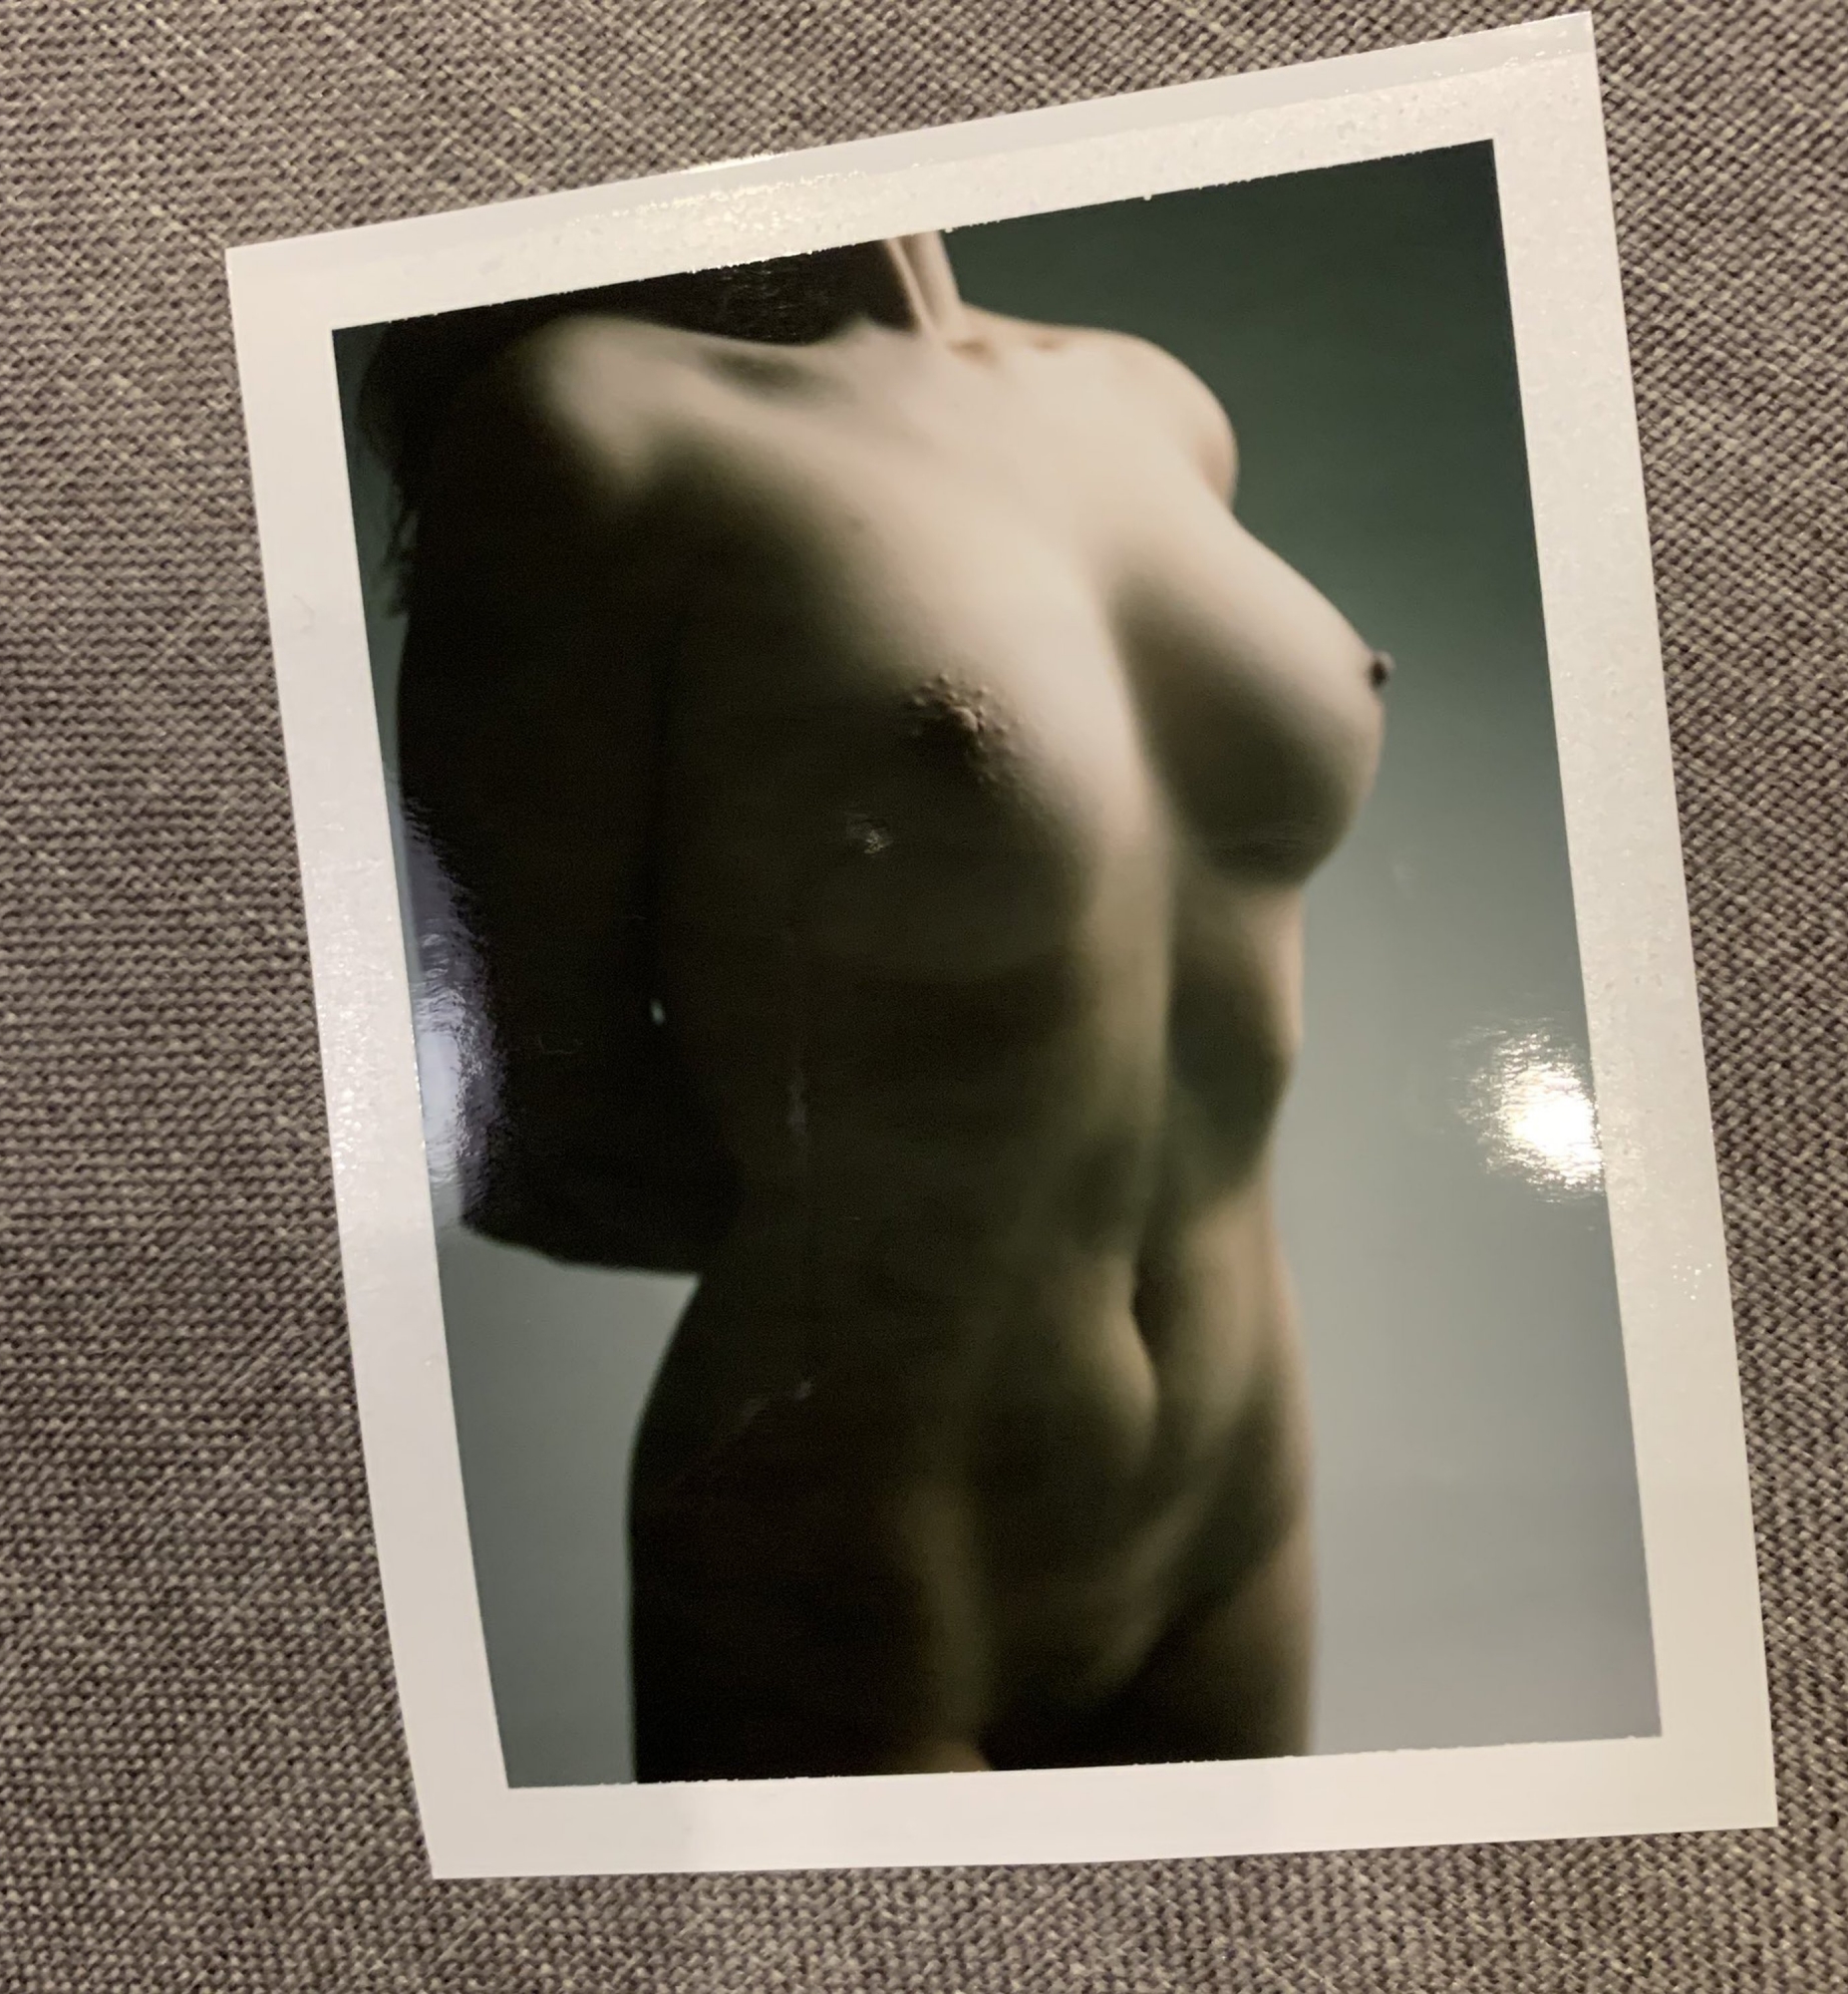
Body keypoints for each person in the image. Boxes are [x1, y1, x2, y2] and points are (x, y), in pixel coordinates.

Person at [372, 231, 1388, 1782]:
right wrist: (905, 1234)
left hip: (1234, 1511)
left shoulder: (1149, 400)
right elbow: (525, 1130)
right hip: (856, 1566)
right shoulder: (595, 427)